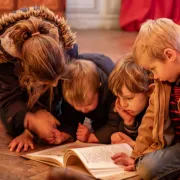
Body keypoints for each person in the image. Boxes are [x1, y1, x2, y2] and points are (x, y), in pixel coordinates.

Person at [0, 6, 114, 152]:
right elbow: (7, 100)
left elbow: (71, 95)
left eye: (58, 77)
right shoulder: (5, 61)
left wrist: (67, 130)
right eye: (46, 82)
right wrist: (29, 123)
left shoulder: (67, 46)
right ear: (25, 73)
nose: (55, 84)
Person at [112, 18, 179, 180]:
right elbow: (149, 121)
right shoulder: (163, 82)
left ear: (169, 55)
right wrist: (136, 155)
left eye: (154, 69)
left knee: (148, 168)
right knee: (146, 167)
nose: (154, 76)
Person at [56, 59, 120, 144]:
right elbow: (68, 117)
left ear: (98, 88)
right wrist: (66, 133)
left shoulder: (112, 91)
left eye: (89, 104)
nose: (83, 110)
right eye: (77, 106)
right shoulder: (71, 91)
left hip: (106, 108)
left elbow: (114, 123)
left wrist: (93, 137)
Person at [108, 55, 152, 148]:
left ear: (148, 90)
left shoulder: (158, 111)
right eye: (119, 97)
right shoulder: (129, 109)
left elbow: (156, 147)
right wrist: (129, 122)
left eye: (129, 98)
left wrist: (132, 144)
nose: (123, 104)